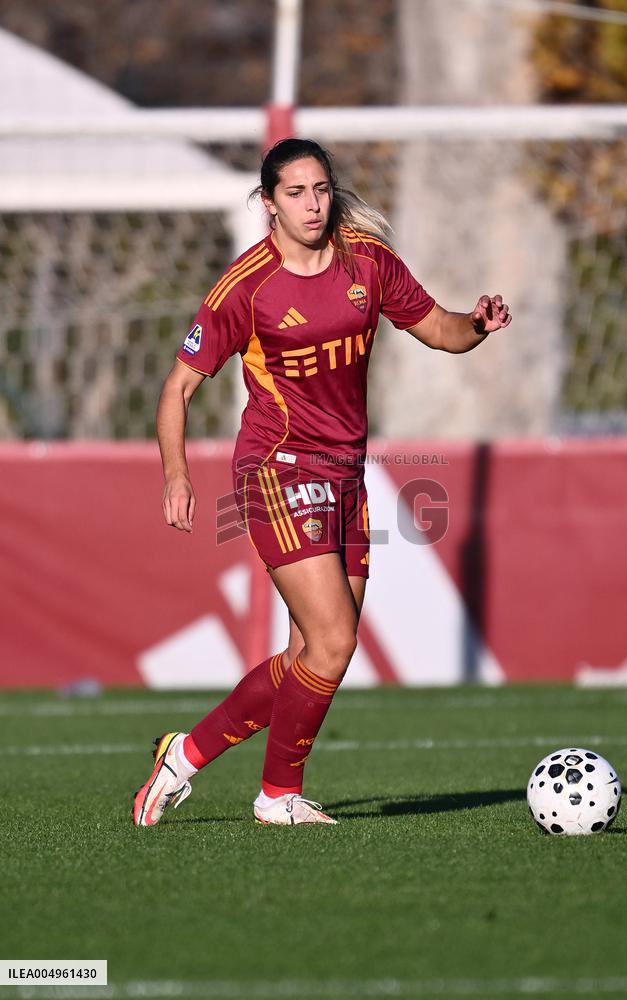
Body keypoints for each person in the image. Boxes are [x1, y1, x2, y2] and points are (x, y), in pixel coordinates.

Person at [132, 137, 511, 828]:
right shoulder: (245, 287)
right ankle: (277, 797)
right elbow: (178, 387)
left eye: (320, 189)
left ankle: (184, 756)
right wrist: (177, 474)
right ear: (268, 203)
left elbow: (441, 330)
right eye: (295, 193)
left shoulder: (369, 262)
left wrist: (477, 325)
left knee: (312, 655)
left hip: (345, 474)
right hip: (276, 470)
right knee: (333, 641)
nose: (312, 204)